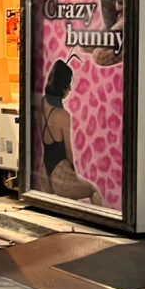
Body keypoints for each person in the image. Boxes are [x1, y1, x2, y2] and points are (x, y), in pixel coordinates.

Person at [39, 59, 103, 207]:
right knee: (94, 190)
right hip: (60, 173)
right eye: (69, 86)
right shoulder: (63, 115)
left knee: (67, 200)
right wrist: (73, 172)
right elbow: (69, 152)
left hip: (44, 171)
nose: (70, 90)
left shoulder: (42, 104)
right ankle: (97, 226)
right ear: (63, 88)